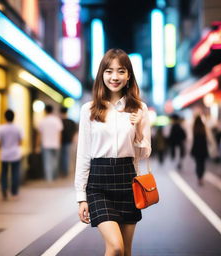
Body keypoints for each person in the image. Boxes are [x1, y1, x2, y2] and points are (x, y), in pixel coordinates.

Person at [74, 49, 151, 255]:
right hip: (98, 183)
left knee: (125, 251)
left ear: (128, 76)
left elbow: (144, 153)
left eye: (120, 71)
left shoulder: (139, 108)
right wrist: (81, 196)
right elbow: (83, 154)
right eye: (109, 71)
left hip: (127, 180)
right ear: (102, 75)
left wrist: (139, 129)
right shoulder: (89, 109)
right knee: (115, 247)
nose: (114, 77)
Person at [0, 109, 23, 200]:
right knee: (15, 173)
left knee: (4, 173)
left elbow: (0, 143)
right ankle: (14, 192)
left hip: (4, 154)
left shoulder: (1, 128)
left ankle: (4, 189)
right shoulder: (18, 128)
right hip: (15, 153)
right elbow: (20, 142)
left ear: (5, 117)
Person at [36, 104, 63, 181]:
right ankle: (54, 177)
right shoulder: (57, 120)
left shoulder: (42, 121)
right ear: (52, 111)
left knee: (47, 162)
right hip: (56, 144)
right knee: (55, 161)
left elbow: (39, 135)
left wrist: (37, 146)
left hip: (46, 144)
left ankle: (49, 178)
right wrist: (60, 143)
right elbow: (59, 133)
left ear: (45, 111)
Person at [191, 115, 208, 186]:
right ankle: (201, 177)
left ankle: (199, 177)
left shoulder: (194, 127)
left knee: (198, 164)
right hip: (203, 148)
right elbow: (205, 139)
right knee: (202, 164)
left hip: (196, 148)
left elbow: (194, 140)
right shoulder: (203, 127)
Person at [59, 106, 77, 177]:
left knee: (62, 157)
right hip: (69, 141)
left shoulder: (59, 121)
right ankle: (66, 171)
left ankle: (64, 171)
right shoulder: (71, 121)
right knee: (67, 156)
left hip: (60, 142)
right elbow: (75, 132)